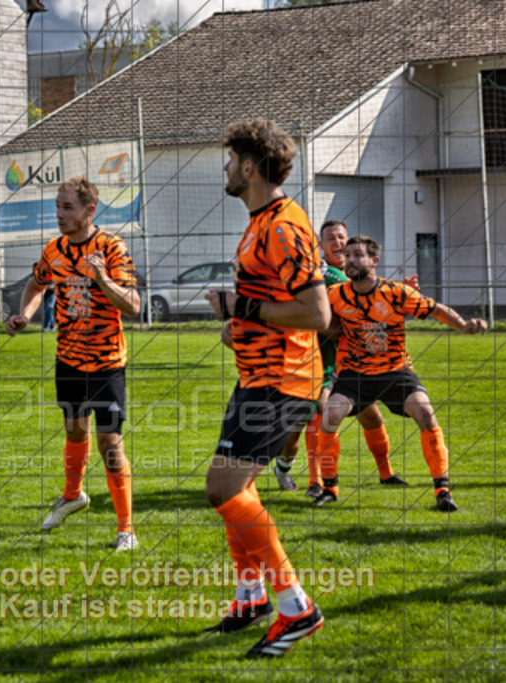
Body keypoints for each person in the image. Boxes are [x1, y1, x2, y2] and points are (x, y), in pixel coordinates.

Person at [203, 119, 326, 658]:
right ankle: (251, 597)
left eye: (231, 159)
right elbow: (276, 302)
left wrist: (241, 307)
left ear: (250, 166)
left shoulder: (282, 226)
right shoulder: (262, 222)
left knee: (226, 490)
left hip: (283, 380)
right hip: (257, 376)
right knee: (227, 490)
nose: (227, 168)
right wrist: (242, 326)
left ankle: (296, 609)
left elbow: (317, 313)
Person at [6, 176, 141, 552]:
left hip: (107, 363)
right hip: (68, 360)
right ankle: (73, 496)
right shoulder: (54, 249)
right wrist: (26, 314)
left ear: (89, 211)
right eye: (57, 207)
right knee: (75, 432)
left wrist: (101, 279)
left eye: (68, 208)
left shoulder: (111, 248)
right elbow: (36, 285)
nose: (60, 214)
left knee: (109, 445)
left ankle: (126, 529)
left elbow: (133, 305)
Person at [321, 236, 487, 512]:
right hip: (355, 374)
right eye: (348, 255)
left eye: (358, 255)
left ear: (374, 261)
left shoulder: (396, 292)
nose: (350, 260)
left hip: (395, 371)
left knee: (425, 412)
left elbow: (435, 309)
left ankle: (443, 489)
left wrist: (464, 325)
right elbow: (315, 315)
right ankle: (329, 488)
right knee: (330, 415)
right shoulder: (336, 294)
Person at [290, 220, 409, 501]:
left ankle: (386, 474)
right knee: (320, 414)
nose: (338, 243)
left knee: (370, 415)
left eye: (342, 237)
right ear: (321, 246)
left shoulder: (350, 278)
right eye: (331, 238)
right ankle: (315, 481)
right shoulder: (329, 276)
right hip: (317, 361)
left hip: (350, 363)